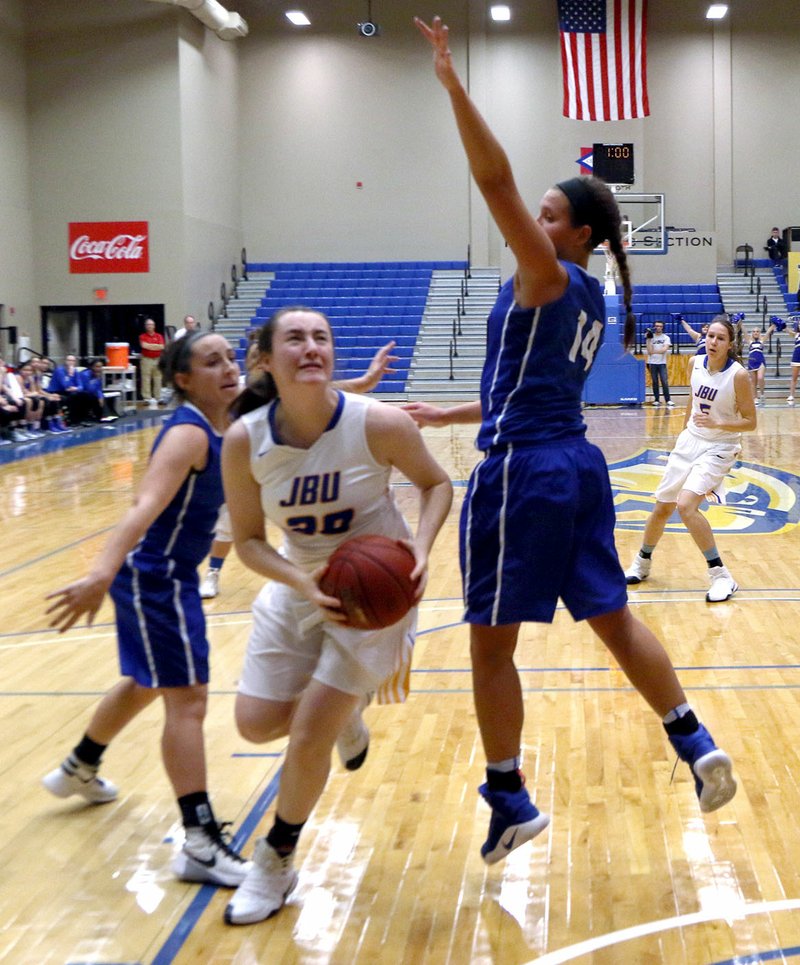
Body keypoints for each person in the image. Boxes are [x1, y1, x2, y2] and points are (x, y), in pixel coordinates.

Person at [405, 15, 737, 870]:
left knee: (489, 641)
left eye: (549, 215)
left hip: (522, 475)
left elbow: (493, 178)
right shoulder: (590, 295)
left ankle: (509, 797)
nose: (534, 220)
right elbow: (530, 390)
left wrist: (451, 86)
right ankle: (694, 740)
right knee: (613, 617)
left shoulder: (547, 274)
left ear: (578, 234)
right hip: (575, 463)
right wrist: (447, 418)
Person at [219, 307, 452, 924]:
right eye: (294, 338)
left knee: (307, 735)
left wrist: (421, 550)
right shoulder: (245, 439)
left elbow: (436, 484)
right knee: (255, 724)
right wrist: (300, 578)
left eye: (321, 336)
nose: (311, 346)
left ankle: (275, 861)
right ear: (266, 359)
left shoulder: (377, 422)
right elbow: (246, 540)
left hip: (374, 599)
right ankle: (346, 717)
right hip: (300, 581)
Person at [42, 331, 251, 889]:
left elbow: (294, 403)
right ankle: (200, 842)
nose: (229, 368)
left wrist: (359, 389)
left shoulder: (231, 413)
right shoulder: (188, 432)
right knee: (189, 698)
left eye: (231, 358)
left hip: (161, 574)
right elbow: (144, 505)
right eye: (212, 362)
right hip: (155, 576)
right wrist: (101, 570)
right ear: (183, 379)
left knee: (146, 682)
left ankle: (80, 766)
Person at [198, 338, 399, 599]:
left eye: (264, 356)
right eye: (255, 358)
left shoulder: (294, 389)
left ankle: (340, 564)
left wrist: (366, 381)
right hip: (249, 465)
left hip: (286, 464)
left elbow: (334, 389)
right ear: (250, 363)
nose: (260, 363)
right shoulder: (235, 390)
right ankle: (213, 572)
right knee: (228, 526)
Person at [625, 317, 756, 601]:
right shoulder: (695, 363)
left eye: (721, 338)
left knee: (685, 506)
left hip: (720, 446)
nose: (713, 342)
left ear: (730, 344)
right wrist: (684, 434)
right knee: (662, 507)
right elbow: (693, 401)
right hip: (690, 442)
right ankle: (642, 562)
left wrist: (719, 421)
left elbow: (750, 422)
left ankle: (721, 575)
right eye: (710, 336)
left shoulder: (738, 376)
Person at [645, 320, 674, 407]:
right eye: (657, 326)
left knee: (664, 381)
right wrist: (648, 339)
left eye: (660, 326)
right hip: (652, 362)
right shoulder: (650, 337)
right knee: (655, 381)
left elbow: (664, 350)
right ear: (654, 327)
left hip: (662, 363)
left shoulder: (666, 338)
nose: (658, 327)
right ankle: (656, 399)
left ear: (662, 327)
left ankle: (668, 400)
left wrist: (654, 351)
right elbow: (649, 351)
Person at [139, 317, 166, 408]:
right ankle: (147, 398)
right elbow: (144, 346)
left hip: (157, 359)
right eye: (148, 325)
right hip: (146, 359)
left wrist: (150, 346)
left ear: (154, 326)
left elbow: (162, 347)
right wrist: (155, 346)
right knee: (146, 378)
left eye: (151, 324)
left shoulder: (159, 336)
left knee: (158, 378)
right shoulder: (142, 336)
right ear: (145, 326)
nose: (150, 326)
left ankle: (158, 398)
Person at [746, 326, 768, 405]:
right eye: (754, 331)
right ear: (752, 333)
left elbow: (768, 332)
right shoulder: (749, 341)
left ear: (759, 333)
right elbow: (744, 331)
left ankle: (762, 394)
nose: (755, 333)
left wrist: (773, 325)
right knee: (753, 382)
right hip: (751, 362)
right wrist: (740, 322)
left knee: (760, 377)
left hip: (760, 361)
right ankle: (755, 398)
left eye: (757, 331)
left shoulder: (762, 341)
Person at [787, 315, 800, 404]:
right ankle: (791, 395)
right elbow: (787, 330)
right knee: (794, 377)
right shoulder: (796, 334)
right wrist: (782, 325)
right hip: (796, 356)